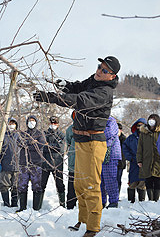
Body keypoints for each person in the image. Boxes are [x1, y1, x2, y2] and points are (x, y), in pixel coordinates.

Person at [33, 55, 121, 237]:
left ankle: (93, 226)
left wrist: (50, 97)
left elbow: (78, 100)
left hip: (93, 142)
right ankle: (83, 219)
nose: (99, 71)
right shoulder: (94, 81)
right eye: (99, 66)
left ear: (112, 76)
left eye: (104, 70)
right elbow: (78, 87)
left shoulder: (104, 92)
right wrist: (65, 84)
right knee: (80, 184)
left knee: (91, 185)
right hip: (80, 140)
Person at [17, 115, 46, 212]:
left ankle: (36, 208)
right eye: (30, 121)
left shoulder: (40, 134)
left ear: (36, 122)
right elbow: (20, 143)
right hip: (24, 163)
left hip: (36, 163)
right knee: (22, 185)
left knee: (37, 186)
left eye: (33, 121)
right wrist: (31, 142)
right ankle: (22, 207)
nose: (31, 122)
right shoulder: (23, 133)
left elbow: (41, 145)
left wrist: (28, 145)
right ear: (27, 123)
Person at [42, 116, 65, 207]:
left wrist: (49, 145)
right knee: (42, 184)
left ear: (58, 124)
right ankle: (38, 206)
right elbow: (43, 147)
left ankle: (62, 204)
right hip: (45, 163)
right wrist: (53, 146)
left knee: (60, 185)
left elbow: (61, 148)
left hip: (58, 163)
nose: (53, 125)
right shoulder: (45, 133)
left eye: (55, 123)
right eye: (52, 123)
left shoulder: (61, 134)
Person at [122, 118, 147, 203]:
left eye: (142, 125)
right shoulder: (131, 138)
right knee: (132, 183)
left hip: (144, 164)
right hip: (133, 163)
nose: (140, 127)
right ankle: (130, 201)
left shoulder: (148, 137)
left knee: (142, 183)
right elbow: (125, 148)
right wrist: (130, 158)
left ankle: (142, 201)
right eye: (138, 125)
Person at [137, 114, 160, 201]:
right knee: (148, 180)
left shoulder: (159, 133)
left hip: (158, 160)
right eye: (150, 119)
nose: (151, 121)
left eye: (153, 119)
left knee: (157, 180)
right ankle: (150, 200)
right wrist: (139, 160)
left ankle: (156, 200)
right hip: (147, 160)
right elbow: (140, 148)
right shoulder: (144, 133)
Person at [101, 116, 122, 209]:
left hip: (111, 154)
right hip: (100, 153)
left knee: (110, 179)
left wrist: (96, 134)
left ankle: (113, 201)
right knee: (99, 180)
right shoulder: (97, 119)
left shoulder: (111, 120)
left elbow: (107, 133)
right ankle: (101, 201)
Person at [0, 117, 20, 207]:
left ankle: (14, 203)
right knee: (4, 185)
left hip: (17, 166)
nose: (12, 125)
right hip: (5, 165)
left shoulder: (19, 136)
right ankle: (6, 203)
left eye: (13, 123)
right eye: (10, 123)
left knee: (15, 186)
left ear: (16, 125)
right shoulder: (2, 136)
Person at [65, 111, 77, 209]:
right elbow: (68, 141)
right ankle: (70, 205)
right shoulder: (70, 129)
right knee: (71, 186)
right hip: (73, 162)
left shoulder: (87, 129)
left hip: (84, 164)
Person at [117, 123, 126, 194]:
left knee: (118, 179)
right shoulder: (111, 138)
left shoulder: (123, 139)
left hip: (120, 163)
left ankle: (117, 194)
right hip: (111, 162)